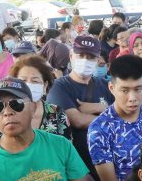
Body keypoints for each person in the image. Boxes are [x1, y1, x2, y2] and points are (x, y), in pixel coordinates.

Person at [48, 34, 111, 170]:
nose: (85, 60)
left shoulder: (107, 85)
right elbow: (78, 120)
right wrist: (112, 114)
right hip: (76, 164)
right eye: (80, 55)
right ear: (71, 56)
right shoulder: (58, 86)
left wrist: (101, 107)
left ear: (97, 59)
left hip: (108, 160)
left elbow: (126, 115)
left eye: (90, 57)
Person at [8, 55, 68, 138]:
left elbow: (66, 147)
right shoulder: (4, 113)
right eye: (23, 81)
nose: (28, 85)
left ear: (45, 85)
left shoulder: (57, 113)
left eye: (35, 81)